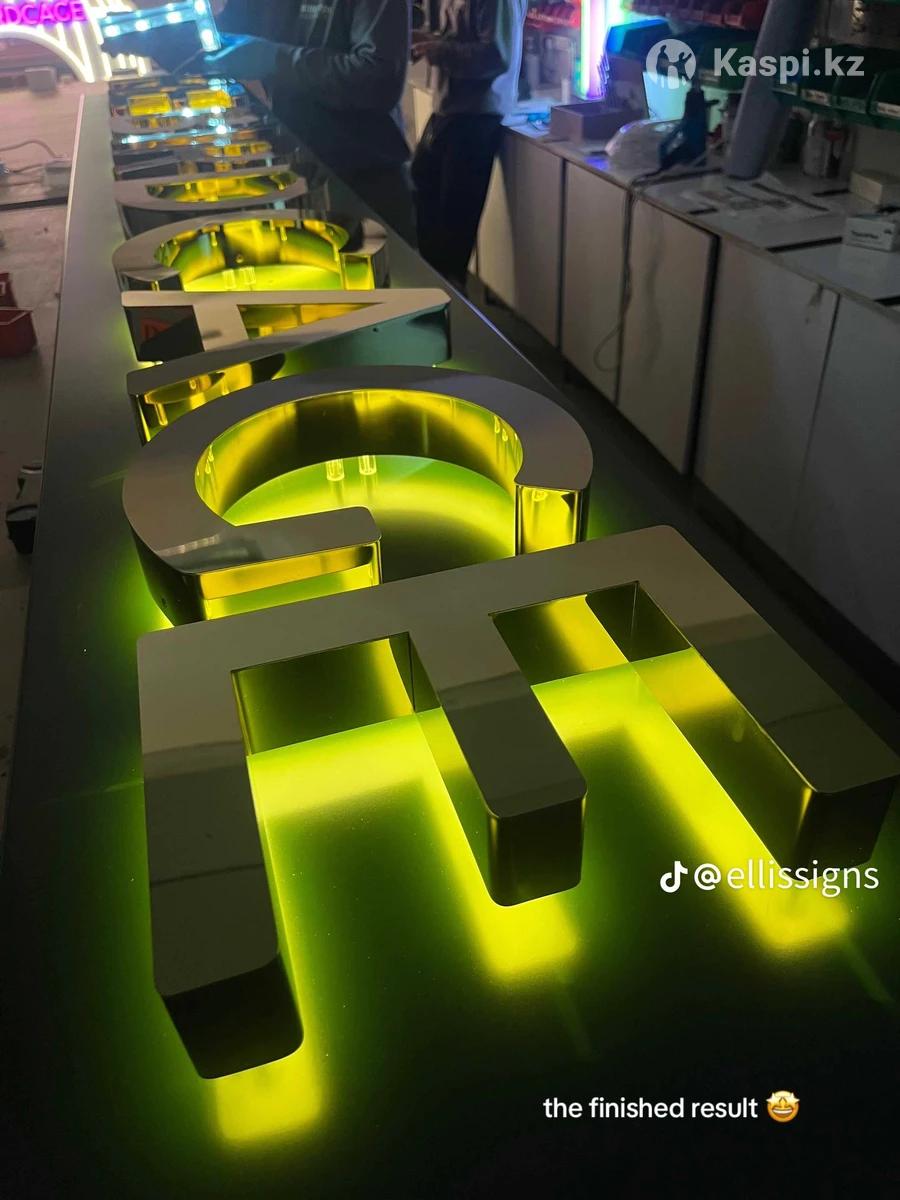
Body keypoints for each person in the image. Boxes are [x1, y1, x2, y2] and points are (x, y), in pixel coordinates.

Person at [202, 0, 416, 242]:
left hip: (363, 183)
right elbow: (228, 33)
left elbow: (378, 82)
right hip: (295, 175)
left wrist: (272, 58)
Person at [410, 0, 527, 290]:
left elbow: (496, 56)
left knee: (452, 230)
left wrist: (437, 49)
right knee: (420, 193)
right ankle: (434, 291)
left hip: (476, 117)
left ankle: (448, 298)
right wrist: (429, 41)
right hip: (448, 109)